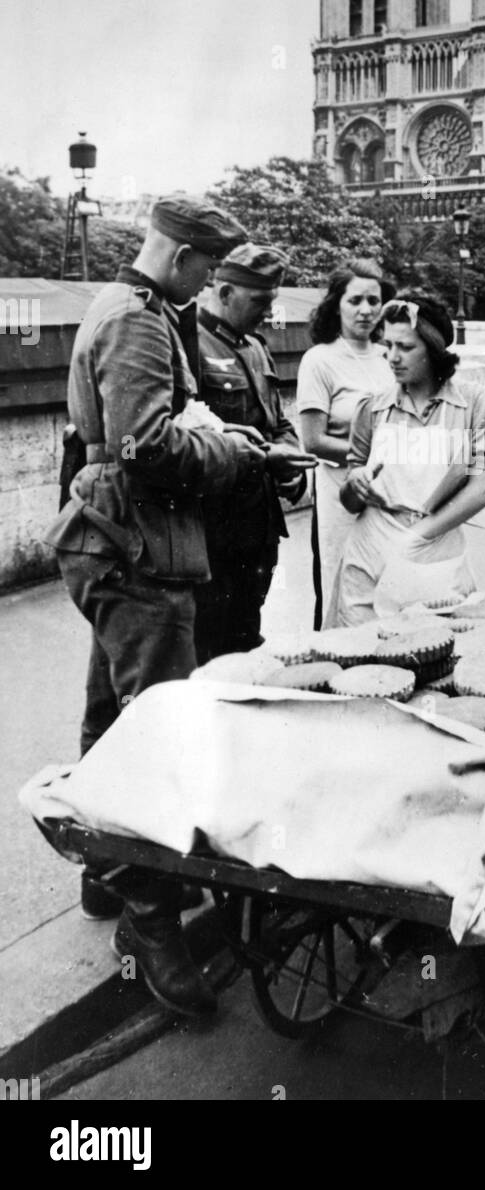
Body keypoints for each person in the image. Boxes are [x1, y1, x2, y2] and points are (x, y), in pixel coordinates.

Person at [44, 195, 279, 1017]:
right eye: (207, 270)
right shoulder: (141, 320)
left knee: (110, 718)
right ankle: (153, 923)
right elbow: (148, 446)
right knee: (156, 740)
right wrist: (232, 451)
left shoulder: (120, 305)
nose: (209, 283)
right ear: (179, 258)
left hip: (113, 543)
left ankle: (105, 877)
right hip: (139, 546)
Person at [330, 292, 485, 627]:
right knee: (362, 661)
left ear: (434, 350)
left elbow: (482, 489)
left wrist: (417, 537)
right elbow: (350, 502)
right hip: (371, 550)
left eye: (405, 347)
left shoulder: (475, 404)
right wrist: (355, 483)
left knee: (435, 649)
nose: (392, 357)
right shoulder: (371, 408)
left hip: (435, 545)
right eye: (388, 346)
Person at [194, 243, 312, 664]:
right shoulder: (189, 343)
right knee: (208, 648)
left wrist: (292, 466)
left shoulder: (256, 347)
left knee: (247, 636)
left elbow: (277, 422)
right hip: (211, 530)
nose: (267, 312)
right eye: (259, 302)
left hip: (257, 525)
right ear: (225, 293)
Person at [296, 260, 391, 628]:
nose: (365, 310)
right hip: (340, 492)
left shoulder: (390, 355)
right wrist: (370, 453)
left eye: (373, 300)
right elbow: (313, 440)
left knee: (384, 588)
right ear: (337, 304)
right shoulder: (320, 360)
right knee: (342, 585)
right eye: (355, 300)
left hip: (389, 491)